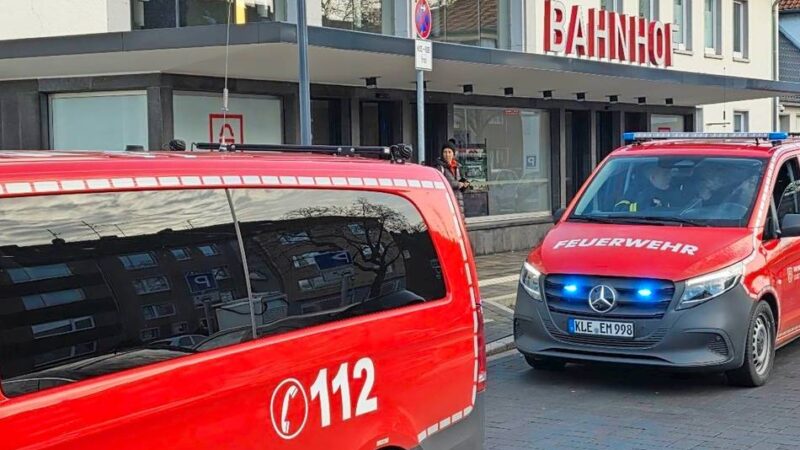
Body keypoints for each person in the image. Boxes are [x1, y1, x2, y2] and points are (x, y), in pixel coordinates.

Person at [436, 145, 469, 214]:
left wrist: (465, 185)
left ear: (453, 154)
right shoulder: (439, 167)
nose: (447, 155)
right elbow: (440, 184)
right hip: (446, 201)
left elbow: (464, 182)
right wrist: (457, 184)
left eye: (449, 152)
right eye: (445, 152)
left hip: (459, 201)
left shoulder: (458, 166)